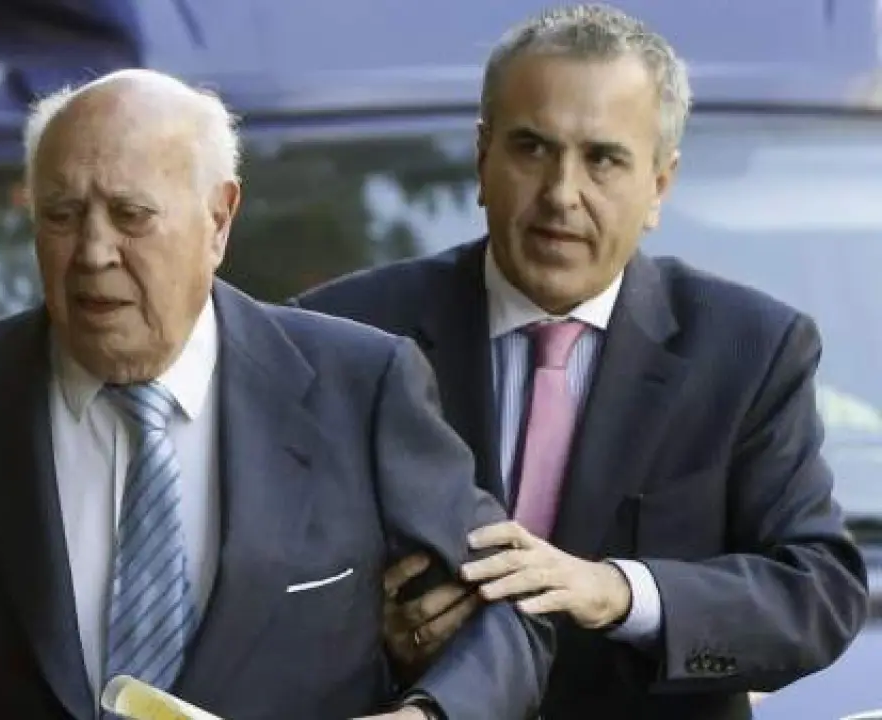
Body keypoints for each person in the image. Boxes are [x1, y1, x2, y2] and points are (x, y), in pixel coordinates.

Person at [0, 69, 552, 720]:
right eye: (62, 215)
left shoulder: (359, 386)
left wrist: (426, 715)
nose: (93, 252)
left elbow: (514, 613)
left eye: (131, 216)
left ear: (218, 220)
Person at [294, 4, 869, 719]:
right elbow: (255, 585)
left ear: (659, 185)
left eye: (603, 159)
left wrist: (619, 592)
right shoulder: (342, 332)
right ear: (482, 158)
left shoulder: (748, 351)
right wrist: (365, 633)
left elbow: (817, 592)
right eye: (532, 148)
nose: (562, 194)